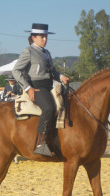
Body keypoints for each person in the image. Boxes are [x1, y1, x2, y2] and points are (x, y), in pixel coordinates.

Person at [12, 23, 69, 156]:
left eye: (46, 36)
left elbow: (52, 71)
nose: (45, 39)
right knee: (49, 108)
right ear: (33, 37)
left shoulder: (47, 53)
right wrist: (28, 88)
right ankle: (41, 144)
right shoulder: (28, 51)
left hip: (50, 86)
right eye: (42, 37)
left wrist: (61, 76)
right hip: (37, 88)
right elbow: (16, 71)